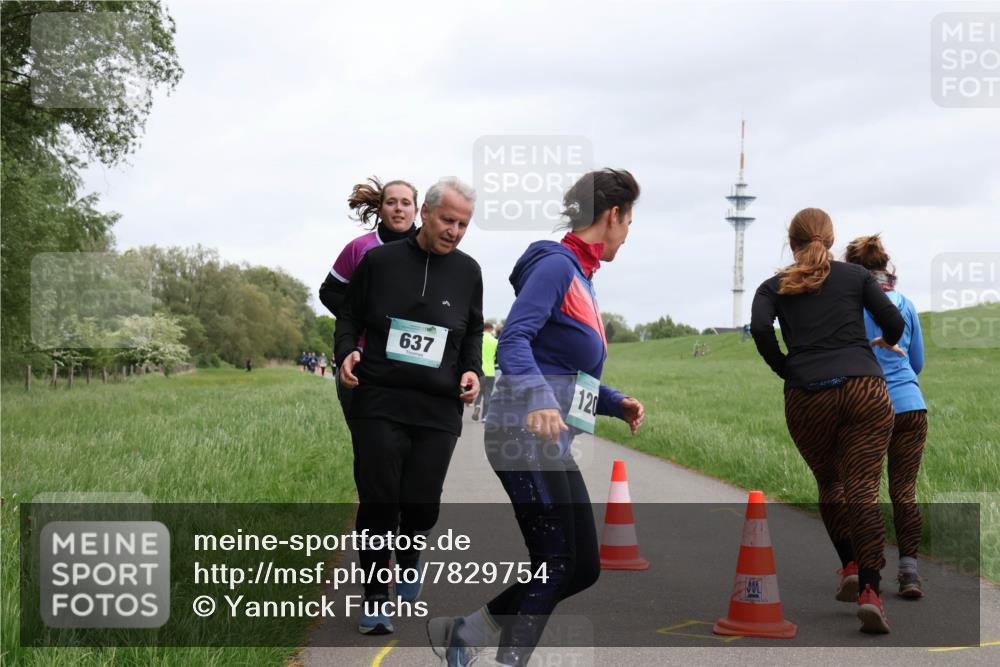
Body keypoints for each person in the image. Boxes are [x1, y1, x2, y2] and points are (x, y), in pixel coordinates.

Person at [428, 169, 646, 667]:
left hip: (549, 440)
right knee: (557, 562)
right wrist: (541, 400)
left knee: (582, 566)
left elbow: (563, 368)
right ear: (613, 215)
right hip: (520, 431)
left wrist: (614, 402)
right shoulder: (556, 267)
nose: (628, 234)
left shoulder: (582, 277)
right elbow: (513, 340)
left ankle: (466, 631)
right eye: (629, 223)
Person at [335, 176, 483, 635]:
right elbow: (348, 315)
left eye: (463, 224)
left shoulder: (469, 271)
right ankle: (375, 599)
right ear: (426, 214)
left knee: (421, 505)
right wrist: (347, 352)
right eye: (447, 220)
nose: (454, 231)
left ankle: (411, 552)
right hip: (380, 398)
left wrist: (472, 370)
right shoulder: (379, 262)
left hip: (438, 406)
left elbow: (472, 330)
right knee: (379, 500)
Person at [750, 207, 905, 634]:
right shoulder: (856, 277)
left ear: (792, 242)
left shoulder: (772, 286)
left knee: (831, 483)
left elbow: (760, 329)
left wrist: (785, 367)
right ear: (832, 241)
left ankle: (850, 565)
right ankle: (870, 591)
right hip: (864, 389)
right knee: (864, 490)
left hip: (807, 395)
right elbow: (894, 321)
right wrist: (884, 342)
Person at [846, 234, 928, 598]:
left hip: (869, 408)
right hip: (911, 405)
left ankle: (868, 574)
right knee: (904, 490)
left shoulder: (852, 305)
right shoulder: (906, 304)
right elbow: (917, 362)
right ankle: (909, 573)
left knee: (865, 490)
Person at [320, 177, 420, 411]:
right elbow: (329, 292)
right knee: (368, 431)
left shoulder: (431, 251)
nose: (398, 208)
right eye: (391, 202)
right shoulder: (359, 247)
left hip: (414, 361)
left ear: (417, 211)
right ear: (380, 208)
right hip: (363, 357)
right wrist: (368, 318)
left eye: (406, 203)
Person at [472, 322, 498, 421]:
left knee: (478, 391)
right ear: (491, 329)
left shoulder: (478, 339)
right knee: (487, 394)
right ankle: (484, 416)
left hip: (479, 370)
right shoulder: (495, 341)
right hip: (490, 371)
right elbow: (497, 358)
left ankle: (477, 405)